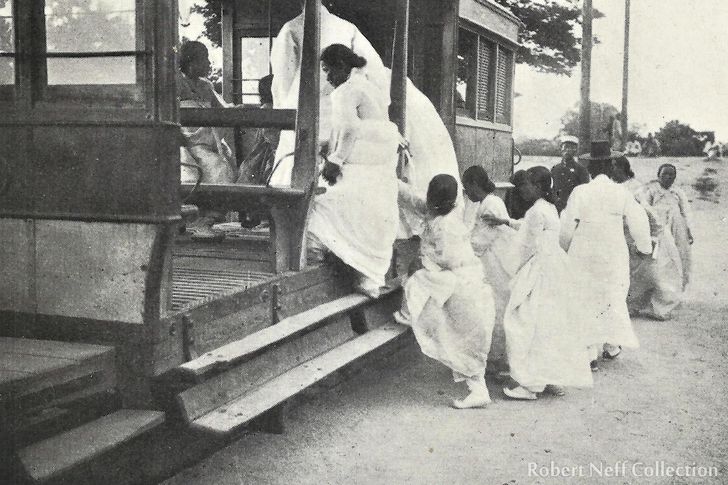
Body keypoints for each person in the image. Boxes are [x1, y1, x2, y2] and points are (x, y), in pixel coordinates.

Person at [269, 3, 461, 237]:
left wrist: (284, 117)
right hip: (356, 114)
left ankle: (319, 231)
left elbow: (283, 84)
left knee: (319, 170)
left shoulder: (291, 30)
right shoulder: (347, 29)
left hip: (318, 112)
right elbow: (375, 72)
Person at [485, 167, 593, 400]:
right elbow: (528, 227)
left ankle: (529, 383)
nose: (522, 190)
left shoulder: (536, 211)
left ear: (540, 187)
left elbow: (525, 245)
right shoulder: (549, 207)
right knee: (548, 324)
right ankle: (550, 376)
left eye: (526, 185)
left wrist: (512, 270)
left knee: (522, 323)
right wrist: (505, 221)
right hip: (554, 269)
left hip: (539, 270)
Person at [305, 45, 400, 298]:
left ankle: (322, 260)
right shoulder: (369, 86)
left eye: (328, 70)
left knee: (319, 207)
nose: (327, 77)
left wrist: (334, 160)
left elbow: (350, 130)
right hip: (380, 171)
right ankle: (366, 273)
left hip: (362, 166)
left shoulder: (346, 91)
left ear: (341, 66)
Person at [394, 174, 495, 409]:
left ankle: (478, 390)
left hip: (462, 282)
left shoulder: (447, 224)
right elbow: (412, 198)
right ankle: (478, 390)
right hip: (460, 281)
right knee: (459, 338)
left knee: (461, 337)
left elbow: (448, 258)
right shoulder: (438, 214)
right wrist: (392, 179)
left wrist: (423, 260)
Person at [560, 141, 653, 370]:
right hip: (612, 248)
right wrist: (644, 247)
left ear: (590, 168)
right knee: (613, 293)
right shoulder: (621, 192)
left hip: (584, 248)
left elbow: (567, 225)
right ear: (611, 167)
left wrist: (563, 249)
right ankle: (611, 344)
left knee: (584, 295)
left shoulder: (580, 191)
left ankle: (589, 351)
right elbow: (639, 220)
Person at [178, 40, 236, 240]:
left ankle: (206, 220)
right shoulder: (174, 84)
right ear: (191, 62)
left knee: (223, 165)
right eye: (205, 60)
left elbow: (223, 110)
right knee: (216, 168)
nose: (209, 64)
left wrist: (237, 109)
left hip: (204, 143)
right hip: (183, 144)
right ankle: (191, 219)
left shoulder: (206, 86)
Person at [461, 166, 517, 373]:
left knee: (498, 309)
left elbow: (481, 240)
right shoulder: (487, 202)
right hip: (491, 262)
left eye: (468, 188)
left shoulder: (491, 204)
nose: (467, 193)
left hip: (496, 264)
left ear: (476, 184)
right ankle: (495, 359)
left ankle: (502, 362)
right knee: (492, 309)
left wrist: (458, 251)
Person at [630, 164, 694, 320]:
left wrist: (688, 230)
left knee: (674, 264)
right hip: (658, 231)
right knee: (653, 265)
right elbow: (644, 210)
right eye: (665, 174)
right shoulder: (650, 191)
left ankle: (664, 303)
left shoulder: (678, 193)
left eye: (672, 175)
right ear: (658, 175)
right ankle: (639, 303)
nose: (668, 178)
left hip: (676, 231)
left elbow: (686, 212)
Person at [236, 74, 279, 185]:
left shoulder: (267, 108)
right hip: (267, 149)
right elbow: (270, 136)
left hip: (267, 150)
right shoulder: (269, 108)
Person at [551, 135, 590, 213]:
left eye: (571, 148)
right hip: (556, 208)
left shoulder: (581, 170)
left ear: (575, 150)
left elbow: (584, 192)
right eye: (565, 147)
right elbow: (553, 188)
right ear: (561, 149)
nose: (567, 150)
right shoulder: (555, 168)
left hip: (573, 208)